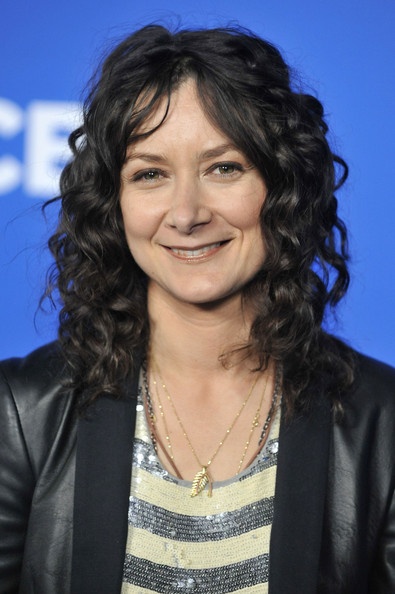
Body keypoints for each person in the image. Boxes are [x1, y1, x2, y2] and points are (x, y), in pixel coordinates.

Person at [0, 23, 394, 594]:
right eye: (150, 174)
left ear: (285, 186)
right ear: (115, 203)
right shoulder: (20, 413)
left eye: (224, 168)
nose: (186, 213)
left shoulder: (384, 424)